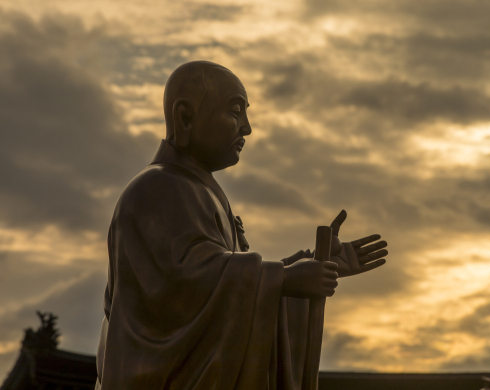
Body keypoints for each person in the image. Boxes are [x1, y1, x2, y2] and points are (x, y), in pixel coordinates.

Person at [95, 61, 388, 390]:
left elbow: (226, 289)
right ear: (185, 117)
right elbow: (181, 286)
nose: (246, 128)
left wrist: (309, 267)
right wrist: (285, 279)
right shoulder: (157, 188)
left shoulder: (198, 190)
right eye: (235, 112)